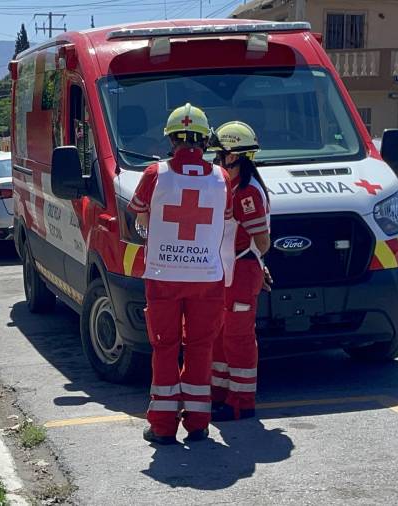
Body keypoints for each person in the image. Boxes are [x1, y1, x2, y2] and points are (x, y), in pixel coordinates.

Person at [129, 103, 233, 445]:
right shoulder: (222, 178)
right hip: (208, 277)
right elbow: (226, 218)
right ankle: (199, 423)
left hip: (163, 275)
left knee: (164, 348)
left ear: (171, 138)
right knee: (201, 348)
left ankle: (162, 425)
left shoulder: (154, 174)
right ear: (205, 140)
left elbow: (140, 220)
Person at [209, 121, 272, 421]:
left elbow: (263, 241)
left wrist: (257, 263)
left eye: (220, 156)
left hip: (242, 270)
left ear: (235, 156)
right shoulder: (234, 186)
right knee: (221, 334)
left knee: (238, 336)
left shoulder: (247, 192)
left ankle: (242, 401)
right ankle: (219, 393)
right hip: (231, 270)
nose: (217, 162)